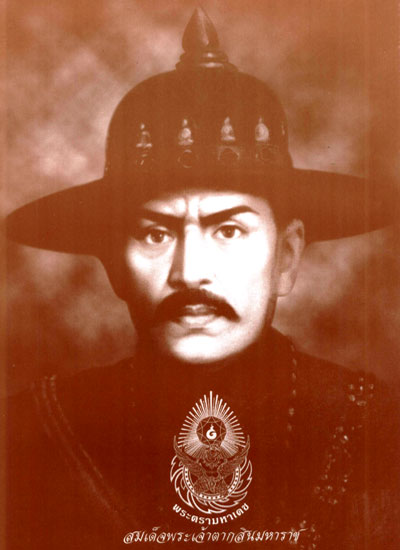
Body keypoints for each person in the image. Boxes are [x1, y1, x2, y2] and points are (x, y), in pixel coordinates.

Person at [6, 7, 399, 550]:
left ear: (286, 257)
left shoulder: (373, 428)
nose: (189, 272)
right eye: (155, 234)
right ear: (112, 264)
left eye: (229, 230)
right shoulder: (35, 431)